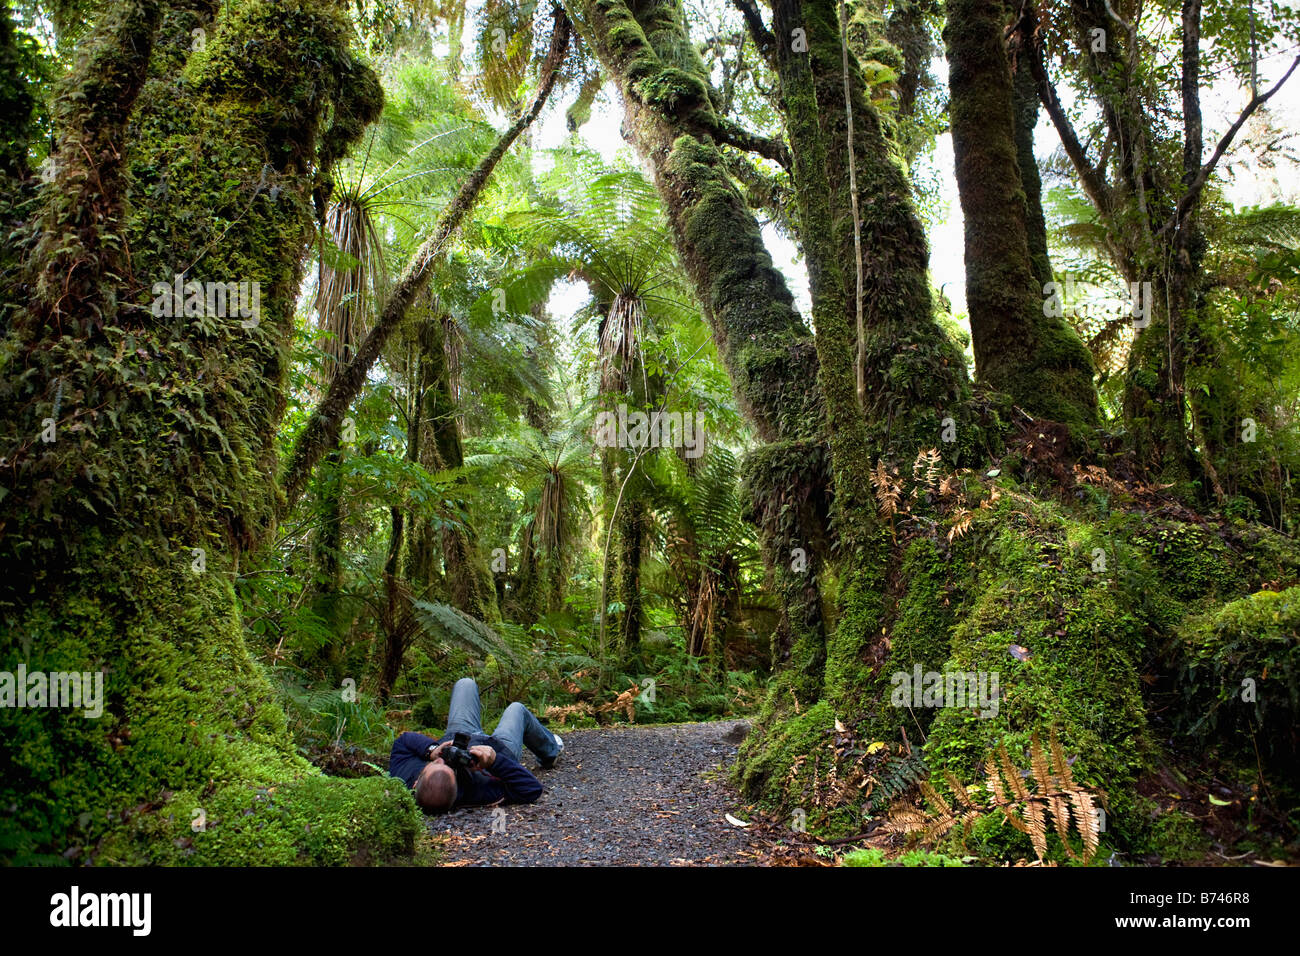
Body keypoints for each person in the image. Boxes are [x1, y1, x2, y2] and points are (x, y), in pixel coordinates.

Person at [389, 677, 564, 813]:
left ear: (416, 782)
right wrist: (495, 761)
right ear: (457, 789)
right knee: (516, 709)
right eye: (451, 768)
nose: (446, 760)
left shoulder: (403, 777)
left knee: (465, 684)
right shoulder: (479, 792)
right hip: (500, 746)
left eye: (436, 764)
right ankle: (550, 752)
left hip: (459, 735)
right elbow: (532, 789)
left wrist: (433, 751)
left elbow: (403, 742)